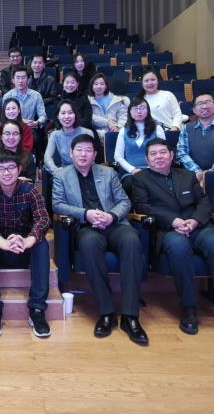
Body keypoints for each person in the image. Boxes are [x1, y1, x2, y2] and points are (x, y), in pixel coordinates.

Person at [131, 138, 214, 342]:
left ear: (171, 155)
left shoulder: (187, 175)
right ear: (147, 159)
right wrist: (174, 221)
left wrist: (195, 221)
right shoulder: (140, 179)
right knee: (179, 248)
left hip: (198, 226)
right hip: (168, 229)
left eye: (163, 152)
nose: (159, 157)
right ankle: (188, 308)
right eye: (153, 154)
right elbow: (143, 206)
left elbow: (204, 202)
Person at [52, 134, 148, 345]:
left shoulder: (108, 173)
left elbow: (124, 201)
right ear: (71, 153)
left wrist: (111, 216)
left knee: (132, 240)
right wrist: (85, 213)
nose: (83, 154)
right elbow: (57, 205)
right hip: (86, 227)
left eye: (88, 150)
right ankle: (107, 312)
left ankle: (130, 315)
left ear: (95, 154)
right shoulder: (61, 175)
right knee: (89, 244)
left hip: (114, 224)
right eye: (79, 150)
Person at [0, 152, 51, 338]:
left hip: (23, 249)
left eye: (10, 168)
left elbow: (43, 218)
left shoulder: (30, 191)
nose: (6, 173)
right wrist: (0, 240)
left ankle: (37, 310)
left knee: (41, 243)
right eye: (1, 169)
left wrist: (28, 240)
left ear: (19, 170)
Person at [176, 91, 214, 185]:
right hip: (195, 177)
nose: (204, 106)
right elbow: (181, 153)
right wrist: (198, 172)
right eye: (200, 103)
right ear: (194, 110)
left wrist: (210, 174)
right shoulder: (186, 128)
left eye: (208, 102)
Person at [114, 97, 165, 191]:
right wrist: (132, 170)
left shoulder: (157, 129)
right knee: (131, 184)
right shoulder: (123, 131)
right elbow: (118, 156)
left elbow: (163, 153)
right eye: (135, 108)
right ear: (129, 111)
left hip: (154, 170)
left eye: (142, 108)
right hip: (130, 173)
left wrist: (150, 169)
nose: (139, 111)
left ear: (148, 110)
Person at [2, 67, 48, 156]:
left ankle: (34, 161)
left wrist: (37, 122)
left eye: (23, 77)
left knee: (36, 138)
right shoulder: (7, 96)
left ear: (28, 80)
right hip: (11, 128)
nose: (20, 81)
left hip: (29, 128)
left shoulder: (36, 95)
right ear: (13, 80)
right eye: (18, 78)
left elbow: (43, 116)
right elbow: (4, 116)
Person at [43, 100, 94, 177]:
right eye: (63, 113)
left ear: (75, 115)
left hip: (85, 172)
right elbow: (47, 157)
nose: (66, 117)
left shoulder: (87, 133)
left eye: (70, 113)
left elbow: (91, 158)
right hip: (65, 174)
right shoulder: (55, 135)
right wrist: (55, 170)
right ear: (58, 116)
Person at [89, 72, 129, 142]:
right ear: (92, 86)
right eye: (96, 84)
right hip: (96, 136)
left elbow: (123, 117)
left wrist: (118, 127)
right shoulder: (88, 101)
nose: (99, 86)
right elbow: (90, 117)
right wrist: (107, 122)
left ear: (106, 86)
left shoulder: (117, 100)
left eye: (102, 84)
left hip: (116, 134)